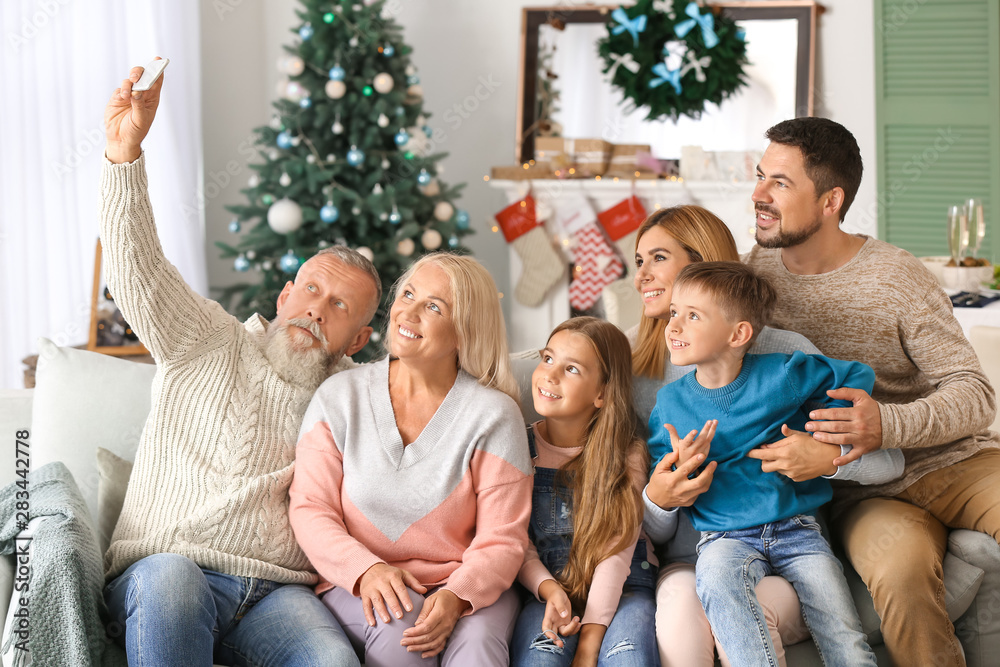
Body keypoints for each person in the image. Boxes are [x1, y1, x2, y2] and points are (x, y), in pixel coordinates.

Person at [100, 62, 381, 666]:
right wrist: (125, 155)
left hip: (277, 594)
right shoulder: (206, 339)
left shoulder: (357, 393)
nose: (315, 311)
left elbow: (445, 384)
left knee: (332, 660)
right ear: (284, 297)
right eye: (309, 292)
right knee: (172, 582)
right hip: (167, 566)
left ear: (357, 340)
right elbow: (136, 273)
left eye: (338, 308)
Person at [744, 116, 1000, 666]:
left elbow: (976, 393)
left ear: (831, 200)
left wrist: (886, 424)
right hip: (866, 494)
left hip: (955, 462)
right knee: (901, 578)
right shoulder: (750, 281)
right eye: (761, 175)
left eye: (780, 183)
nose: (758, 195)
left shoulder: (895, 276)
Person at [649, 261, 903, 665]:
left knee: (843, 634)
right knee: (714, 581)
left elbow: (856, 376)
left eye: (692, 315)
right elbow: (661, 472)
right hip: (722, 538)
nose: (673, 325)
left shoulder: (782, 373)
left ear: (739, 334)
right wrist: (680, 470)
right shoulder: (669, 403)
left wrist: (820, 432)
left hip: (797, 531)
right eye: (674, 312)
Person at [288, 253, 533, 667]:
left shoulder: (494, 416)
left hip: (468, 585)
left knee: (476, 651)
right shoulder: (339, 397)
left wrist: (457, 596)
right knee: (401, 634)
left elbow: (503, 539)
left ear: (463, 332)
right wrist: (366, 571)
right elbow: (311, 509)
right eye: (407, 295)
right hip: (358, 582)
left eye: (434, 307)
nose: (408, 311)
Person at [628, 205, 813, 666]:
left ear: (703, 264)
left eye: (658, 258)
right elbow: (647, 529)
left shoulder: (783, 357)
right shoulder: (631, 367)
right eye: (638, 261)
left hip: (783, 559)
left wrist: (824, 455)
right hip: (688, 562)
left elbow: (880, 458)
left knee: (734, 605)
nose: (641, 276)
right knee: (680, 603)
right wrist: (660, 497)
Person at [510, 317, 658, 667]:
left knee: (628, 659)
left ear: (603, 393)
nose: (550, 374)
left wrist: (590, 641)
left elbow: (616, 551)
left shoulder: (626, 454)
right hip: (545, 589)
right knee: (540, 659)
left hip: (625, 589)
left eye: (572, 368)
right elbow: (515, 541)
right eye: (547, 359)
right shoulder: (517, 445)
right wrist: (549, 590)